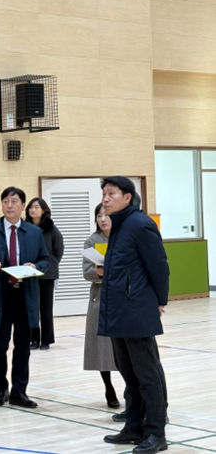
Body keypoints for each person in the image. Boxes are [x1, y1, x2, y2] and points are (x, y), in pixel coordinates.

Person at [99, 177, 169, 454]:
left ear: (127, 197)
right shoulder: (119, 225)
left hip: (136, 310)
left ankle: (156, 433)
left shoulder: (140, 224)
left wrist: (159, 301)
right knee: (129, 375)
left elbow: (159, 266)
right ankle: (134, 427)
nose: (105, 199)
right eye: (104, 194)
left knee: (147, 375)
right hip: (118, 311)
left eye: (111, 194)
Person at [0, 187, 50, 409]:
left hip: (25, 295)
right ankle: (0, 389)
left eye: (14, 201)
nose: (9, 205)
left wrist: (36, 266)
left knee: (23, 346)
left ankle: (19, 391)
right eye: (5, 201)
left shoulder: (33, 232)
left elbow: (46, 260)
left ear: (22, 206)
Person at [83, 203, 120, 409]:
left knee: (124, 346)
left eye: (106, 215)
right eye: (99, 216)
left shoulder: (123, 237)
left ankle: (131, 388)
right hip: (100, 296)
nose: (103, 219)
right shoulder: (92, 241)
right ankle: (108, 387)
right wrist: (96, 273)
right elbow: (86, 272)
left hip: (122, 296)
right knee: (101, 345)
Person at [25, 197, 64, 350]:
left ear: (44, 210)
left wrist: (49, 264)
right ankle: (33, 339)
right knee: (31, 307)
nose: (33, 210)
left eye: (36, 207)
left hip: (47, 273)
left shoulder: (51, 228)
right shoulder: (24, 227)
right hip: (29, 272)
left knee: (46, 308)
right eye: (31, 207)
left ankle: (46, 340)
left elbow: (58, 251)